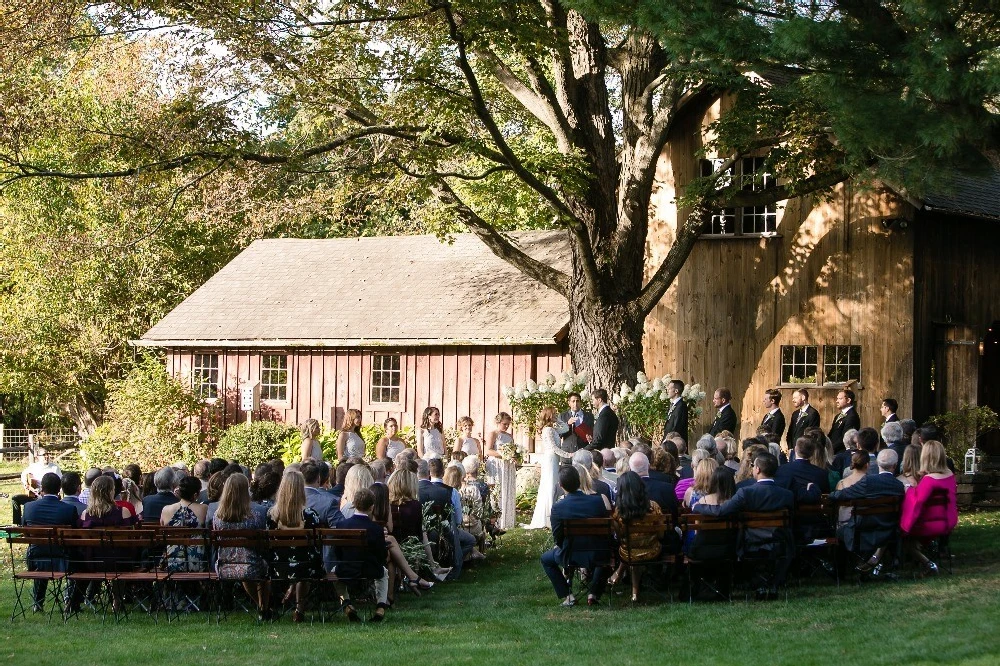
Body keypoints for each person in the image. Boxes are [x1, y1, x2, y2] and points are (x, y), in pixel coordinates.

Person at [539, 466, 612, 607]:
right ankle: (594, 594)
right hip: (599, 553)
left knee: (546, 559)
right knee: (604, 557)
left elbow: (558, 537)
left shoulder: (559, 507)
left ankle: (568, 596)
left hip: (570, 554)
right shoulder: (597, 501)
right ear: (580, 481)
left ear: (561, 485)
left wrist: (561, 547)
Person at [265, 470, 324, 622]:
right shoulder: (310, 515)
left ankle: (271, 607)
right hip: (307, 567)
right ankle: (300, 609)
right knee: (305, 563)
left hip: (277, 567)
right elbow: (318, 545)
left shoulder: (271, 515)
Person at [829, 449, 905, 566]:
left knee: (839, 532)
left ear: (878, 464)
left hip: (863, 530)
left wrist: (832, 495)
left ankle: (840, 570)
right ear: (895, 466)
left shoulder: (868, 482)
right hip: (889, 530)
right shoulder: (899, 486)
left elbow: (844, 494)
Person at [212, 473, 270, 620]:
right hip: (253, 565)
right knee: (266, 569)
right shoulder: (258, 512)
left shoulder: (217, 515)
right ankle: (264, 607)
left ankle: (262, 608)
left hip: (224, 567)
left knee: (250, 568)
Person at [21, 472, 78, 613]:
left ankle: (38, 602)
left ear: (42, 488)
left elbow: (25, 530)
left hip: (35, 557)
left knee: (43, 551)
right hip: (62, 558)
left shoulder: (29, 507)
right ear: (59, 489)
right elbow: (74, 534)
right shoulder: (69, 509)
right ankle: (69, 600)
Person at [900, 441, 958, 575]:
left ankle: (929, 564)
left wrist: (909, 490)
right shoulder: (949, 475)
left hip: (930, 525)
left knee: (903, 538)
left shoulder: (929, 480)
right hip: (947, 520)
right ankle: (928, 557)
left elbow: (916, 502)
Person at [333, 488, 391, 622]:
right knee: (384, 572)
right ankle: (381, 606)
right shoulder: (376, 529)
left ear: (354, 504)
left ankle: (347, 604)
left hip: (346, 568)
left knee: (334, 573)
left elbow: (338, 552)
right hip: (371, 569)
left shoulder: (342, 525)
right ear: (372, 507)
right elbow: (381, 554)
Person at [607, 471, 664, 602]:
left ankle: (632, 589)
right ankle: (634, 591)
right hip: (653, 551)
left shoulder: (619, 511)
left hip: (627, 554)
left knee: (629, 550)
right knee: (634, 550)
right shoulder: (654, 507)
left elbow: (620, 536)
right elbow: (661, 535)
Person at [526, 406, 575, 529]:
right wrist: (568, 455)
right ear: (548, 416)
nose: (556, 415)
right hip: (550, 459)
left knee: (553, 485)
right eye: (554, 414)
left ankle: (551, 515)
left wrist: (558, 420)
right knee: (550, 486)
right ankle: (548, 517)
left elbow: (565, 428)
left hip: (554, 460)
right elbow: (554, 448)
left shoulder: (552, 429)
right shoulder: (547, 430)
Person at [159, 476, 208, 574]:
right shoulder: (204, 509)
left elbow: (162, 528)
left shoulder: (166, 510)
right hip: (198, 560)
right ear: (196, 494)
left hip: (172, 559)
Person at [560, 392, 594, 463]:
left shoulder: (589, 416)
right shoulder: (563, 416)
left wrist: (590, 438)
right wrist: (567, 424)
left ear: (580, 402)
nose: (575, 403)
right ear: (569, 403)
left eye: (577, 401)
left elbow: (592, 432)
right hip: (567, 453)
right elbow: (559, 434)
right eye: (573, 401)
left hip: (583, 453)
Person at [786, 388, 820, 453]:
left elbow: (811, 435)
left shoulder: (812, 413)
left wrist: (802, 449)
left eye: (795, 398)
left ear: (803, 397)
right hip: (793, 451)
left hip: (804, 451)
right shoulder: (795, 414)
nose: (793, 400)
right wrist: (790, 447)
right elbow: (790, 432)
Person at [829, 389, 862, 453]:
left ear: (848, 400)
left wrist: (831, 449)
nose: (837, 401)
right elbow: (832, 433)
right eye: (837, 398)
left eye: (840, 399)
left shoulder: (852, 416)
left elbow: (846, 438)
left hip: (842, 452)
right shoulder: (838, 415)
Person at [661, 379, 688, 444]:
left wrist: (668, 440)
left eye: (669, 389)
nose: (667, 390)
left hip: (675, 442)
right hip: (668, 440)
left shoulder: (681, 406)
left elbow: (677, 426)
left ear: (676, 391)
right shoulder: (673, 405)